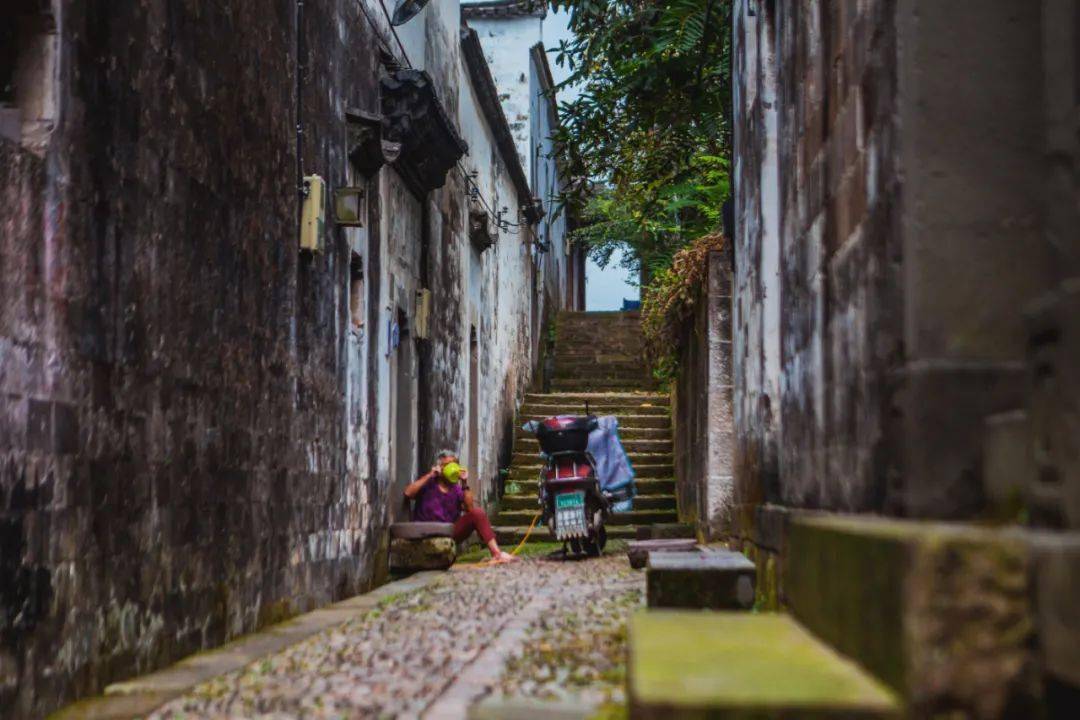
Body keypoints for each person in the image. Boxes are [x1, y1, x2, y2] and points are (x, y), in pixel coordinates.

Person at [404, 449, 518, 563]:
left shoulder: (457, 489)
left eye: (453, 465)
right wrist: (430, 474)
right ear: (440, 467)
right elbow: (408, 493)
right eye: (446, 465)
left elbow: (470, 509)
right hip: (426, 531)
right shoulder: (429, 483)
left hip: (449, 532)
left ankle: (497, 553)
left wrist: (464, 483)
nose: (451, 468)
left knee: (478, 513)